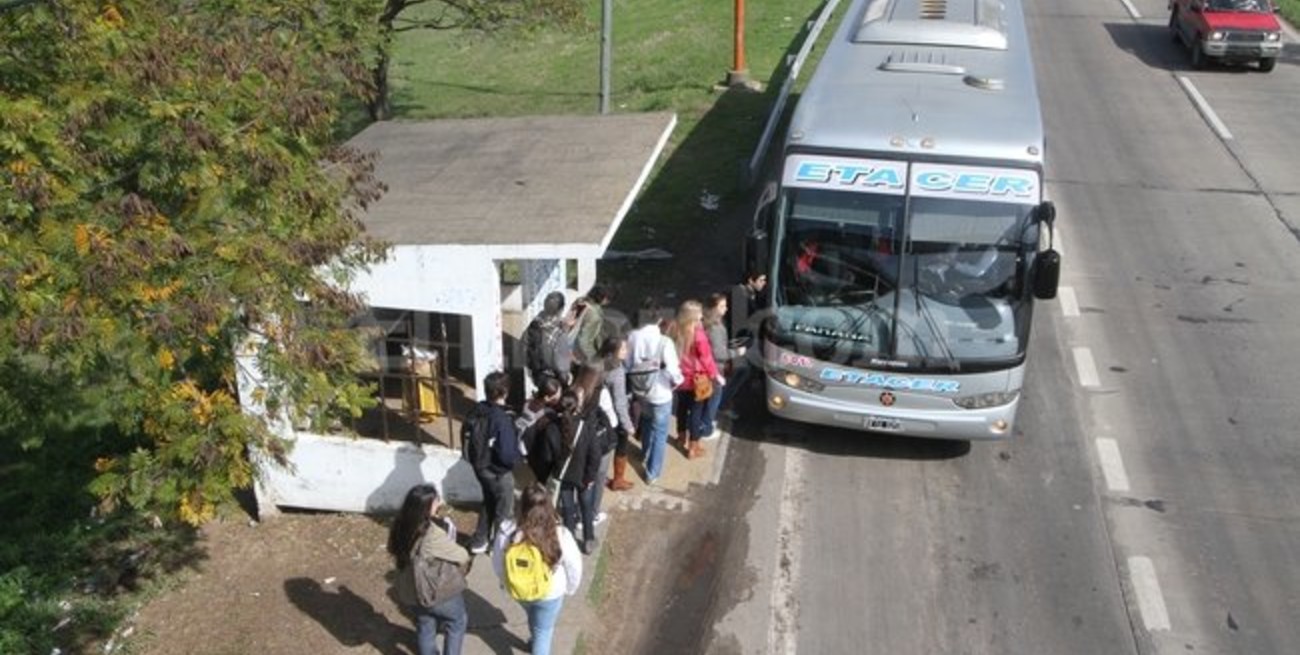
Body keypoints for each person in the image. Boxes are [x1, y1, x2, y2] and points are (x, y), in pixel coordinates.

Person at [492, 483, 583, 655]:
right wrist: (570, 588)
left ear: (521, 505)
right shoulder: (560, 533)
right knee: (543, 633)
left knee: (533, 616)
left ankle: (534, 639)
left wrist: (506, 582)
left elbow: (498, 562)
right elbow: (574, 566)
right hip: (550, 593)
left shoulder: (507, 530)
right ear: (548, 505)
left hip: (519, 589)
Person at [388, 484, 470, 655]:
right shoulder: (432, 534)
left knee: (425, 625)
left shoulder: (398, 525)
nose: (439, 504)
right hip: (435, 591)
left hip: (411, 591)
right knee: (457, 622)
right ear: (425, 508)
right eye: (436, 501)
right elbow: (462, 556)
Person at [625, 299, 682, 485]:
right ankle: (652, 472)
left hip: (640, 390)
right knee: (660, 433)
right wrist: (678, 381)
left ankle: (644, 452)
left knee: (647, 422)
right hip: (661, 393)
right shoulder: (664, 342)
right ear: (658, 320)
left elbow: (627, 364)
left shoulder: (632, 336)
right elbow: (673, 371)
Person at [469, 371, 521, 555]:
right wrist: (514, 461)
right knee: (504, 509)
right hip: (498, 472)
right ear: (504, 392)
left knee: (489, 500)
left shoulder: (478, 409)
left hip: (479, 467)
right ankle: (498, 547)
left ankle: (479, 541)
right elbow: (506, 454)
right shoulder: (502, 419)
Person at [556, 384, 605, 555]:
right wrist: (590, 476)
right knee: (586, 507)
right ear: (577, 406)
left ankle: (569, 543)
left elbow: (548, 455)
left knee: (567, 510)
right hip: (584, 477)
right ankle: (588, 540)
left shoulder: (553, 427)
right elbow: (595, 455)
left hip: (563, 477)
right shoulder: (586, 427)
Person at [669, 300, 722, 459]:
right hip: (696, 379)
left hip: (679, 378)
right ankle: (693, 446)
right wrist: (715, 375)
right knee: (696, 412)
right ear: (692, 316)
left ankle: (680, 437)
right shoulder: (699, 334)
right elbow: (706, 358)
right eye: (698, 313)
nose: (701, 316)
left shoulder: (674, 329)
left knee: (681, 408)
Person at [597, 335, 635, 492]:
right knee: (621, 446)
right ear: (614, 352)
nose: (627, 351)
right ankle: (618, 480)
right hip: (612, 416)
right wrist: (628, 425)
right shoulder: (617, 371)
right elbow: (620, 403)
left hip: (597, 412)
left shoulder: (598, 361)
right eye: (623, 349)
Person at [700, 293, 741, 435]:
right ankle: (706, 429)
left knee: (707, 399)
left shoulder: (707, 322)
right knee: (713, 400)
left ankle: (704, 424)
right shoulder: (715, 328)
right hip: (715, 370)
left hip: (707, 368)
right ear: (713, 308)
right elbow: (719, 354)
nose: (726, 308)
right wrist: (737, 353)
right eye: (722, 306)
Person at [517, 375, 563, 485]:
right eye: (556, 396)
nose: (560, 396)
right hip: (538, 452)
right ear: (547, 398)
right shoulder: (547, 414)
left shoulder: (527, 403)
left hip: (525, 447)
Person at [522, 292, 570, 386]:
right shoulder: (559, 330)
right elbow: (561, 364)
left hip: (537, 376)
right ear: (561, 309)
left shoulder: (534, 324)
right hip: (555, 380)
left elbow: (523, 349)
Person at [572, 284, 612, 368]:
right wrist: (593, 360)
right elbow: (584, 341)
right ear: (604, 298)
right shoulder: (594, 315)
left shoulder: (580, 303)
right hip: (579, 359)